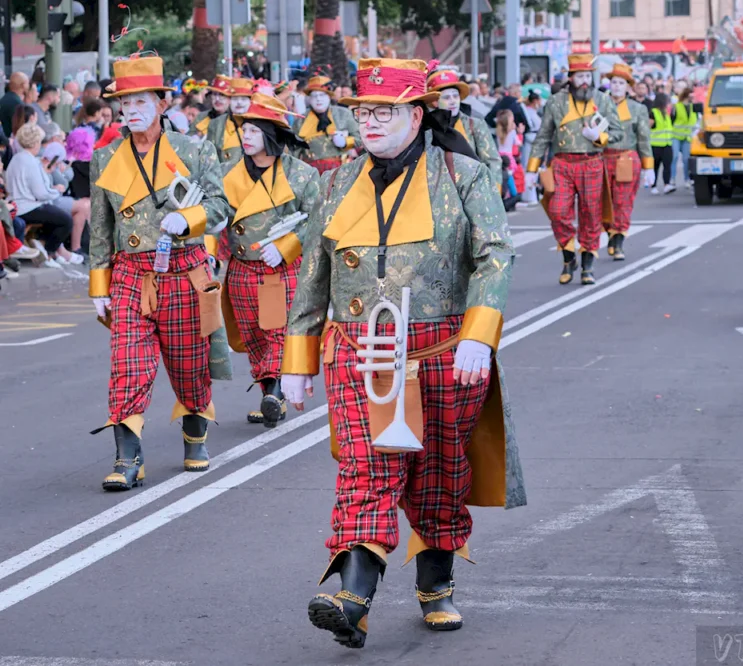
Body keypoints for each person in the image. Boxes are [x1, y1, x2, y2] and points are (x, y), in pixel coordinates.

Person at [280, 57, 523, 648]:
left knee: (440, 472)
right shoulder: (337, 182)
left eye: (383, 111)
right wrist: (297, 360)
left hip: (442, 347)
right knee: (367, 469)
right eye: (363, 112)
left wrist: (478, 334)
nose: (370, 122)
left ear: (417, 115)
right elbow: (313, 272)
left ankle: (435, 583)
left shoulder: (463, 174)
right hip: (359, 349)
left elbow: (496, 254)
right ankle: (352, 599)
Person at [88, 55, 230, 491]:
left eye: (140, 100)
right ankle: (128, 458)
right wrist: (98, 283)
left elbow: (221, 207)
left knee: (189, 365)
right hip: (130, 273)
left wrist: (189, 221)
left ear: (162, 104)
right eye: (123, 102)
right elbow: (100, 226)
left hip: (185, 268)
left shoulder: (194, 149)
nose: (130, 110)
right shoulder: (105, 156)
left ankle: (195, 432)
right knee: (127, 365)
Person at [219, 93, 318, 427]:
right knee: (254, 338)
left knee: (278, 333)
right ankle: (269, 393)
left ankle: (274, 393)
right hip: (241, 268)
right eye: (243, 130)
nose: (244, 136)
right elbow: (215, 211)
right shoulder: (228, 173)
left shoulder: (301, 175)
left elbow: (319, 218)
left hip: (278, 269)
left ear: (271, 135)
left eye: (252, 130)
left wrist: (289, 244)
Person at [526, 53, 624, 285]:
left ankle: (588, 265)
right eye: (580, 76)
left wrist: (599, 137)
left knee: (591, 215)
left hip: (592, 163)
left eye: (588, 76)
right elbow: (543, 136)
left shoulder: (603, 100)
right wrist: (532, 169)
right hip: (562, 164)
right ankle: (569, 256)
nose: (585, 81)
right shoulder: (556, 102)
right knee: (558, 211)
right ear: (570, 78)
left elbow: (619, 132)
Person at [601, 64, 655, 260]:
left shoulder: (638, 109)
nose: (616, 86)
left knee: (623, 202)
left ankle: (619, 241)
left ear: (628, 87)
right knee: (603, 203)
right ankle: (610, 232)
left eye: (621, 83)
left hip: (627, 159)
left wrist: (648, 166)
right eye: (613, 82)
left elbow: (644, 138)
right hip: (603, 159)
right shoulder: (599, 106)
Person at [6, 123, 77, 265]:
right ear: (36, 142)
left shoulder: (15, 159)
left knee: (57, 216)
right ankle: (49, 251)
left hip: (15, 205)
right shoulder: (30, 161)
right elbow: (41, 193)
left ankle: (43, 246)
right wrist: (56, 191)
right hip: (27, 206)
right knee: (66, 220)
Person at [426, 68, 502, 182]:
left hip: (473, 188)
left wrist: (492, 193)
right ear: (435, 102)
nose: (453, 101)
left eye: (455, 96)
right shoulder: (427, 128)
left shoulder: (475, 124)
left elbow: (492, 161)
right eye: (446, 97)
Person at [296, 73, 361, 174]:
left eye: (322, 95)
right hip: (311, 173)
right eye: (314, 96)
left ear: (329, 96)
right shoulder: (300, 120)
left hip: (341, 171)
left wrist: (345, 142)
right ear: (309, 99)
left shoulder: (343, 114)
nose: (318, 99)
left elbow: (359, 138)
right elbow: (293, 150)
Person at [204, 76, 253, 168]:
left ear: (251, 101)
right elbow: (209, 158)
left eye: (243, 99)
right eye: (235, 99)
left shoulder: (259, 124)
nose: (239, 103)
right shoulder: (215, 124)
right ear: (229, 101)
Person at [670, 86, 699, 190]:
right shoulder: (677, 106)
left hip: (687, 137)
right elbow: (672, 120)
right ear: (687, 94)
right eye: (692, 94)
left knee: (686, 159)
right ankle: (672, 179)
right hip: (676, 135)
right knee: (674, 157)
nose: (694, 96)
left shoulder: (693, 107)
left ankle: (687, 180)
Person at [649, 93, 674, 194]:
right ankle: (653, 186)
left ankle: (666, 185)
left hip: (667, 144)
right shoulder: (653, 113)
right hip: (656, 145)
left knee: (667, 165)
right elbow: (648, 126)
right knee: (655, 166)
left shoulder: (666, 113)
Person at [0, 72, 29, 137]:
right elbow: (20, 130)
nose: (28, 86)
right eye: (28, 83)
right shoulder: (18, 104)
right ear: (23, 85)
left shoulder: (4, 99)